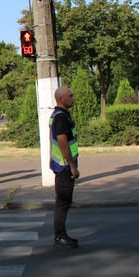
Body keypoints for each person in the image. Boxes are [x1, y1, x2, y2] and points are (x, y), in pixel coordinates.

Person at [49, 86, 80, 249]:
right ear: (61, 99)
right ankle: (60, 236)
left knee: (63, 201)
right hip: (64, 167)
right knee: (62, 202)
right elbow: (62, 142)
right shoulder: (61, 117)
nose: (73, 98)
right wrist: (72, 166)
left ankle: (60, 234)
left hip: (61, 166)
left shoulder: (59, 115)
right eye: (71, 95)